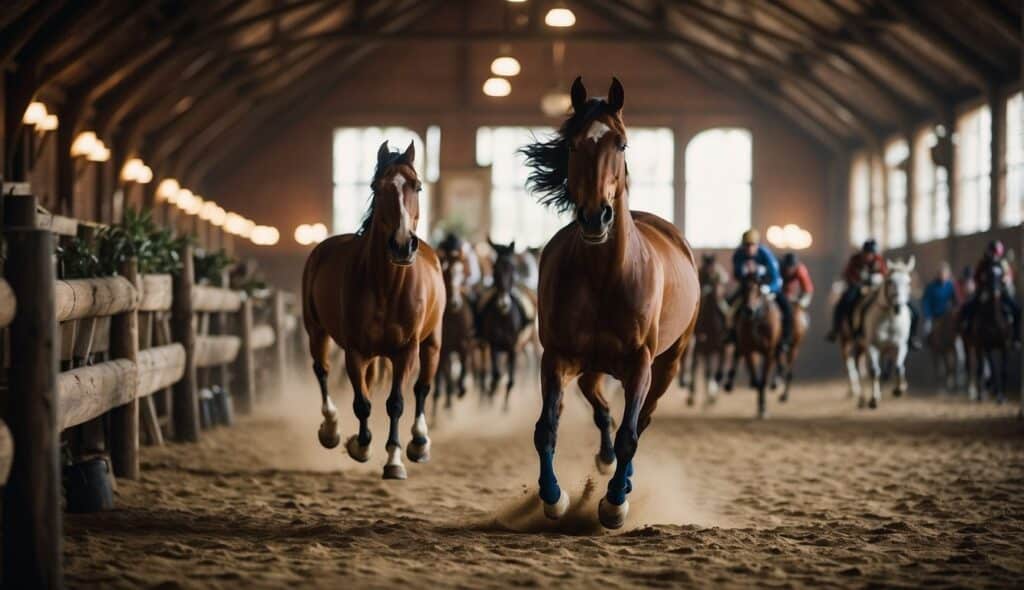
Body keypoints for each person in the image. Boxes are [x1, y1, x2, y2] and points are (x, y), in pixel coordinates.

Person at [730, 229, 793, 351]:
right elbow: (736, 274)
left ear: (757, 245)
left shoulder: (766, 255)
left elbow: (776, 278)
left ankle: (785, 338)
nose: (748, 248)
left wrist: (768, 288)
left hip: (769, 286)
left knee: (787, 308)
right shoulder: (738, 254)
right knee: (730, 306)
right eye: (746, 245)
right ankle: (732, 334)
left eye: (752, 245)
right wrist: (744, 272)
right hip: (749, 286)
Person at [961, 240, 1021, 347]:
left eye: (996, 253)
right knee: (971, 307)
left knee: (1016, 309)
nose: (994, 255)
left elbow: (1008, 277)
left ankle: (1016, 337)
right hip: (985, 293)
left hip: (1000, 293)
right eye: (993, 252)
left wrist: (1005, 281)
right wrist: (982, 285)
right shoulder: (982, 263)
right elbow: (976, 278)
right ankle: (969, 330)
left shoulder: (1003, 264)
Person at [827, 239, 887, 341]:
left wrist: (875, 278)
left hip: (874, 288)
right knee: (843, 303)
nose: (868, 256)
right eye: (866, 253)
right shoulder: (855, 260)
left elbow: (884, 275)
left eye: (871, 253)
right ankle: (836, 329)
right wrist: (858, 281)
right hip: (856, 286)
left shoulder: (879, 261)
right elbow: (847, 274)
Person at [921, 263, 958, 335]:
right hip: (933, 316)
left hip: (946, 316)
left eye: (945, 273)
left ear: (948, 275)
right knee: (927, 331)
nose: (943, 276)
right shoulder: (931, 287)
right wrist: (928, 316)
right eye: (941, 273)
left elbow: (955, 300)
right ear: (938, 274)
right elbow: (926, 302)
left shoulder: (950, 286)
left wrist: (954, 310)